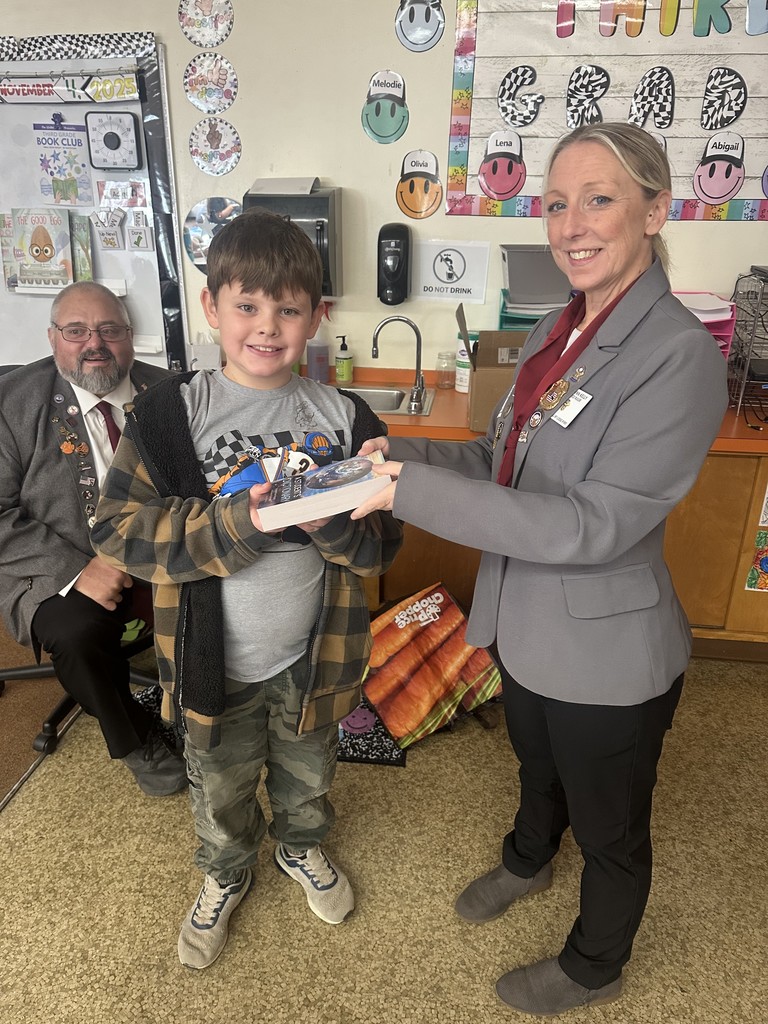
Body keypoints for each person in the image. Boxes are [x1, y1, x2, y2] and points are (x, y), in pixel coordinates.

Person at [353, 123, 728, 1016]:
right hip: (519, 625)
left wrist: (401, 491)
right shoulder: (558, 329)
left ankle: (597, 963)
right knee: (535, 764)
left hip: (607, 656)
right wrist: (378, 451)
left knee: (612, 829)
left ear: (655, 210)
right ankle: (528, 855)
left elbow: (593, 526)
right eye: (557, 204)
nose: (571, 224)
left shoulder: (678, 356)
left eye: (598, 199)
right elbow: (497, 462)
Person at [90, 209, 403, 970]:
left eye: (289, 309)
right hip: (208, 661)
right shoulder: (167, 416)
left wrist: (329, 515)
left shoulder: (343, 416)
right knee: (221, 788)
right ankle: (225, 872)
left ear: (316, 317)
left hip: (313, 657)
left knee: (308, 773)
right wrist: (241, 522)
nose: (267, 326)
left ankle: (300, 847)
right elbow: (117, 533)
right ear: (211, 309)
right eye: (247, 306)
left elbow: (379, 549)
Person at [0, 282, 186, 797]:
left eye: (109, 330)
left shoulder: (172, 392)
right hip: (52, 562)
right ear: (53, 337)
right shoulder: (11, 404)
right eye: (77, 331)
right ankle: (136, 739)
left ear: (130, 337)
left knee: (224, 596)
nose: (94, 343)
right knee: (76, 634)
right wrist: (79, 572)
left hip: (159, 550)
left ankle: (204, 717)